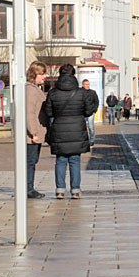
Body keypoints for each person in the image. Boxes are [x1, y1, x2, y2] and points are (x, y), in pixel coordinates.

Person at [44, 64, 98, 199]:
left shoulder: (53, 93)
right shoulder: (81, 93)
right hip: (77, 130)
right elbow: (88, 111)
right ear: (74, 75)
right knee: (75, 160)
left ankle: (60, 190)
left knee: (61, 160)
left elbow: (48, 112)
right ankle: (75, 190)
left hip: (59, 130)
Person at [25, 61, 49, 199]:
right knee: (30, 161)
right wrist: (33, 133)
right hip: (31, 135)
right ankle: (28, 188)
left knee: (31, 161)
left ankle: (29, 187)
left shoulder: (33, 89)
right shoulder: (31, 90)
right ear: (34, 74)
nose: (44, 76)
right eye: (42, 74)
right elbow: (30, 113)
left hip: (34, 133)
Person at [81, 79, 99, 146]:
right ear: (83, 85)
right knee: (83, 128)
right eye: (86, 84)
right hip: (82, 113)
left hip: (91, 112)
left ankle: (92, 140)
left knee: (91, 127)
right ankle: (84, 140)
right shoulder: (80, 92)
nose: (87, 85)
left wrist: (94, 110)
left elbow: (96, 101)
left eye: (88, 84)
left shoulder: (93, 92)